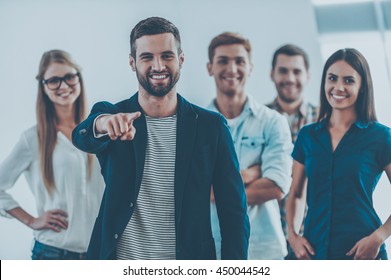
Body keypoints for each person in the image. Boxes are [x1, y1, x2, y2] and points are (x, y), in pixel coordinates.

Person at [72, 17, 250, 260]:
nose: (158, 65)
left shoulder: (212, 127)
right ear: (132, 63)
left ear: (181, 60)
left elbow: (234, 214)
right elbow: (82, 137)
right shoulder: (115, 116)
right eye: (147, 57)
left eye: (167, 56)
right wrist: (103, 123)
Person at [286, 48, 391, 260]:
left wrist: (378, 237)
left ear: (362, 87)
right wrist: (292, 235)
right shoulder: (308, 136)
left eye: (349, 80)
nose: (338, 87)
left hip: (362, 254)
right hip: (312, 253)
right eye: (332, 78)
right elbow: (296, 194)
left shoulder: (381, 137)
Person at [0, 50, 104, 260]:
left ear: (79, 78)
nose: (64, 86)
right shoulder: (33, 138)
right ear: (44, 87)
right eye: (54, 80)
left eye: (69, 77)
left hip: (100, 253)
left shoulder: (99, 130)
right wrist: (31, 220)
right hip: (52, 254)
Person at [207, 32, 292, 260]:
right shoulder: (196, 126)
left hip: (264, 250)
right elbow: (191, 188)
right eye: (223, 61)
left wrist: (219, 186)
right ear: (210, 67)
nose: (232, 69)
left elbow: (276, 186)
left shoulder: (274, 122)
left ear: (251, 68)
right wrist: (247, 174)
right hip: (212, 249)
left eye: (239, 61)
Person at [266, 44, 318, 258]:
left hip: (314, 234)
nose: (290, 78)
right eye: (283, 70)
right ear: (272, 74)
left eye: (296, 71)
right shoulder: (259, 119)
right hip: (269, 235)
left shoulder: (326, 120)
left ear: (307, 76)